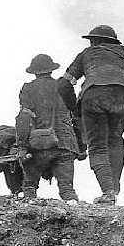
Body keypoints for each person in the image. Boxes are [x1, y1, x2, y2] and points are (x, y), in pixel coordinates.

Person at [61, 25, 124, 205]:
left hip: (93, 98)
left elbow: (63, 84)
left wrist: (74, 109)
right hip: (123, 97)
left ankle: (108, 192)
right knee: (115, 139)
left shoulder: (86, 54)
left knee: (97, 145)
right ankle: (114, 189)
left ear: (95, 41)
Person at [16, 53, 81, 204]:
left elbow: (24, 118)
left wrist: (22, 147)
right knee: (67, 189)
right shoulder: (63, 86)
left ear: (34, 72)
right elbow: (77, 115)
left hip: (38, 146)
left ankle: (29, 214)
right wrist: (80, 146)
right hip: (65, 144)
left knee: (30, 187)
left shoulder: (28, 89)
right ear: (51, 70)